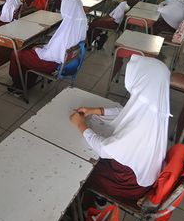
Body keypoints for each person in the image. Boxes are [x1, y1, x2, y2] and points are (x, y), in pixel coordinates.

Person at [70, 55, 170, 201]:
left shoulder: (143, 123)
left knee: (82, 169)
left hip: (127, 185)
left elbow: (104, 149)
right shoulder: (156, 107)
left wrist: (80, 124)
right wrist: (94, 111)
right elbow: (125, 113)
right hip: (139, 174)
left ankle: (87, 204)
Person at [8, 0, 87, 92]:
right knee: (31, 49)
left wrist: (37, 49)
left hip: (50, 63)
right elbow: (57, 48)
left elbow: (49, 55)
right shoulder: (79, 25)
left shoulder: (66, 32)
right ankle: (28, 81)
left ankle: (18, 86)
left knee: (16, 54)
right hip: (64, 60)